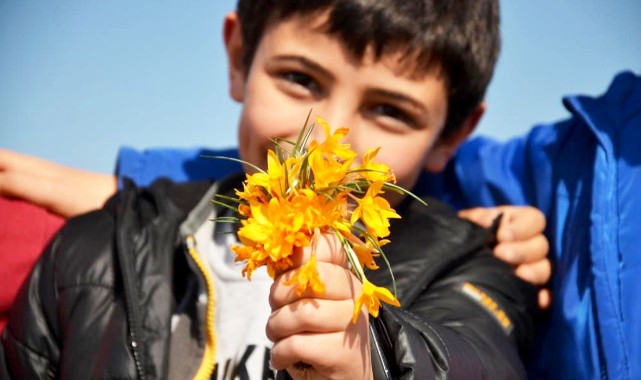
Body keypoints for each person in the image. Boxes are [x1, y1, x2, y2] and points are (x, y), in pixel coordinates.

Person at [0, 0, 538, 379]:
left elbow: (477, 359)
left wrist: (373, 359)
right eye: (301, 79)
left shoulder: (474, 268)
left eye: (390, 111)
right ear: (238, 58)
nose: (327, 142)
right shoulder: (97, 248)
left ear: (453, 134)